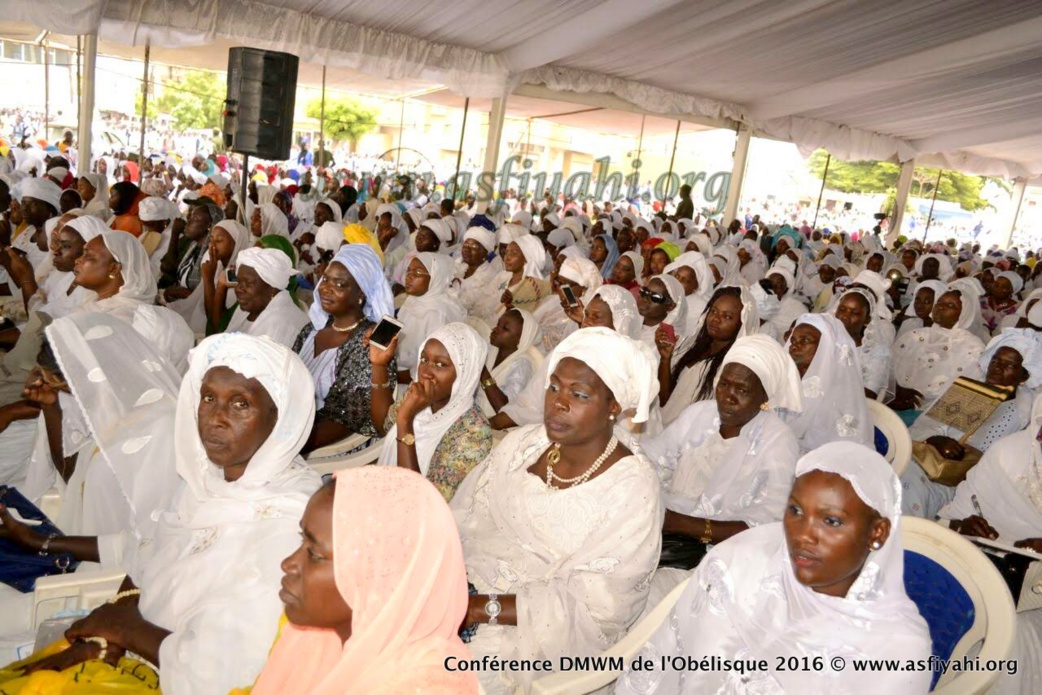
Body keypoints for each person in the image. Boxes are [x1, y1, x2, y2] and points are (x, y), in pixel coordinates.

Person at [0, 334, 322, 694]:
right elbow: (146, 553)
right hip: (136, 646)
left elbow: (231, 669)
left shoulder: (296, 522)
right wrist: (112, 625)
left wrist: (124, 630)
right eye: (208, 397)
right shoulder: (202, 483)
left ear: (282, 419)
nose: (215, 418)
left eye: (240, 404)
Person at [616, 442, 932, 695]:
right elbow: (683, 673)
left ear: (877, 533)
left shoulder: (897, 649)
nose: (802, 535)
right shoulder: (738, 569)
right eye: (795, 510)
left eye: (831, 521)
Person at [452, 327, 663, 695]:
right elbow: (467, 518)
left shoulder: (632, 488)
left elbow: (599, 607)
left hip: (532, 631)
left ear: (615, 406)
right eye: (554, 387)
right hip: (463, 586)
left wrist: (477, 609)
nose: (558, 403)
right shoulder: (523, 443)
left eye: (579, 394)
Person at [243, 468, 478, 695]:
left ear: (377, 580)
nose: (288, 563)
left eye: (314, 554)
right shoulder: (313, 636)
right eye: (301, 540)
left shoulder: (426, 687)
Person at [644, 334, 802, 577]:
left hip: (719, 557)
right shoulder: (699, 415)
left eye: (741, 389)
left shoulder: (778, 442)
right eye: (724, 384)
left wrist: (680, 524)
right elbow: (651, 459)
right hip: (661, 523)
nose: (727, 396)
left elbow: (767, 526)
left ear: (765, 398)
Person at [939, 392, 1042, 695]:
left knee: (1011, 639)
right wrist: (964, 524)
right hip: (988, 571)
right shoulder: (1007, 452)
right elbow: (952, 517)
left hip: (1034, 600)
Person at [901, 328, 1042, 520]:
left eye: (1009, 365)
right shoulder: (968, 389)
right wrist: (934, 439)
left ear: (1024, 376)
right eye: (995, 360)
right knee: (893, 472)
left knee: (909, 485)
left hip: (960, 480)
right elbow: (923, 428)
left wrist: (968, 456)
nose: (997, 368)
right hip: (925, 458)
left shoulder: (1026, 411)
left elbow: (1014, 463)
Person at [370, 322, 492, 502]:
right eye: (424, 360)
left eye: (441, 364)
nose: (426, 373)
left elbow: (422, 505)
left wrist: (405, 421)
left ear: (465, 372)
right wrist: (379, 365)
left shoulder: (474, 432)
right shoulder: (418, 395)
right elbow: (384, 426)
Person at [294, 244, 396, 453]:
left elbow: (344, 420)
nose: (326, 288)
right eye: (325, 279)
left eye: (339, 284)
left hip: (326, 446)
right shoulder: (313, 328)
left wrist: (288, 444)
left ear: (361, 293)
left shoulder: (367, 342)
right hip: (294, 426)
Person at [658, 286, 759, 426]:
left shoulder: (731, 368)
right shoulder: (695, 348)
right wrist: (665, 359)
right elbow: (666, 401)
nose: (716, 319)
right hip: (663, 427)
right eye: (714, 311)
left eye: (727, 316)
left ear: (742, 325)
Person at [784, 313, 873, 453]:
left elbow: (842, 453)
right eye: (793, 340)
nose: (794, 346)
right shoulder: (788, 381)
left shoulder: (840, 396)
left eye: (805, 340)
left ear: (827, 346)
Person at [892, 288, 987, 414]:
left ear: (964, 313)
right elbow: (888, 369)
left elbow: (966, 395)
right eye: (939, 303)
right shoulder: (914, 336)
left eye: (950, 305)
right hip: (895, 403)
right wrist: (897, 391)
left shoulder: (972, 347)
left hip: (935, 414)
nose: (941, 308)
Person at [396, 252, 466, 382]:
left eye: (417, 273)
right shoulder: (412, 300)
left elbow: (432, 364)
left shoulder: (437, 313)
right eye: (409, 271)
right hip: (397, 369)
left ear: (435, 278)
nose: (409, 277)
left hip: (418, 381)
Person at [218, 246, 308, 346]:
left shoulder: (281, 326)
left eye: (248, 283)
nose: (238, 288)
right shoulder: (248, 307)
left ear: (272, 288)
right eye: (239, 281)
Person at [478, 308, 541, 417]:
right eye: (498, 324)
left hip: (493, 425)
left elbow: (504, 409)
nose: (496, 329)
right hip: (474, 416)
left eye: (505, 328)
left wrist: (483, 372)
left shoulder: (522, 365)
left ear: (520, 339)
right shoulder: (491, 350)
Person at [830, 287, 891, 399]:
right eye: (842, 309)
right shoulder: (824, 340)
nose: (845, 317)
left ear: (867, 319)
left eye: (855, 313)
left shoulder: (877, 352)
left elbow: (869, 394)